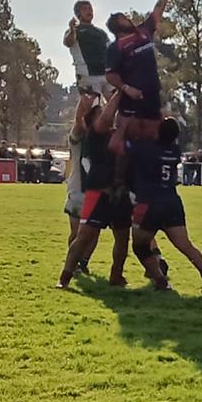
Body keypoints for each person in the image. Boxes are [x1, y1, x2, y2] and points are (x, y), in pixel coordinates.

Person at [130, 117, 202, 296]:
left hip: (152, 203)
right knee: (185, 245)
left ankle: (160, 281)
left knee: (139, 245)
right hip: (171, 201)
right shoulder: (174, 150)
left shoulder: (148, 149)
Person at [56, 90, 131, 289]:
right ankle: (65, 277)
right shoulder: (94, 135)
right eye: (100, 114)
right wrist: (119, 92)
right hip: (99, 193)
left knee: (123, 240)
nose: (107, 116)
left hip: (119, 194)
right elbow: (106, 116)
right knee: (83, 237)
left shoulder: (116, 134)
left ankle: (116, 275)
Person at [104, 0, 176, 176]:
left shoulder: (144, 31)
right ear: (116, 26)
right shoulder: (115, 47)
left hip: (152, 94)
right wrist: (127, 89)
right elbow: (110, 75)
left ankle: (150, 179)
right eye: (122, 18)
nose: (127, 18)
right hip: (131, 98)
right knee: (128, 134)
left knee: (153, 133)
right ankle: (120, 181)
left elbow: (157, 11)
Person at [62, 92, 101, 275]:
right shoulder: (79, 139)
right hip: (78, 191)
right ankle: (73, 263)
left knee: (93, 233)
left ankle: (82, 263)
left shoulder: (104, 139)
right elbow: (78, 122)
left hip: (97, 193)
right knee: (77, 233)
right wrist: (82, 102)